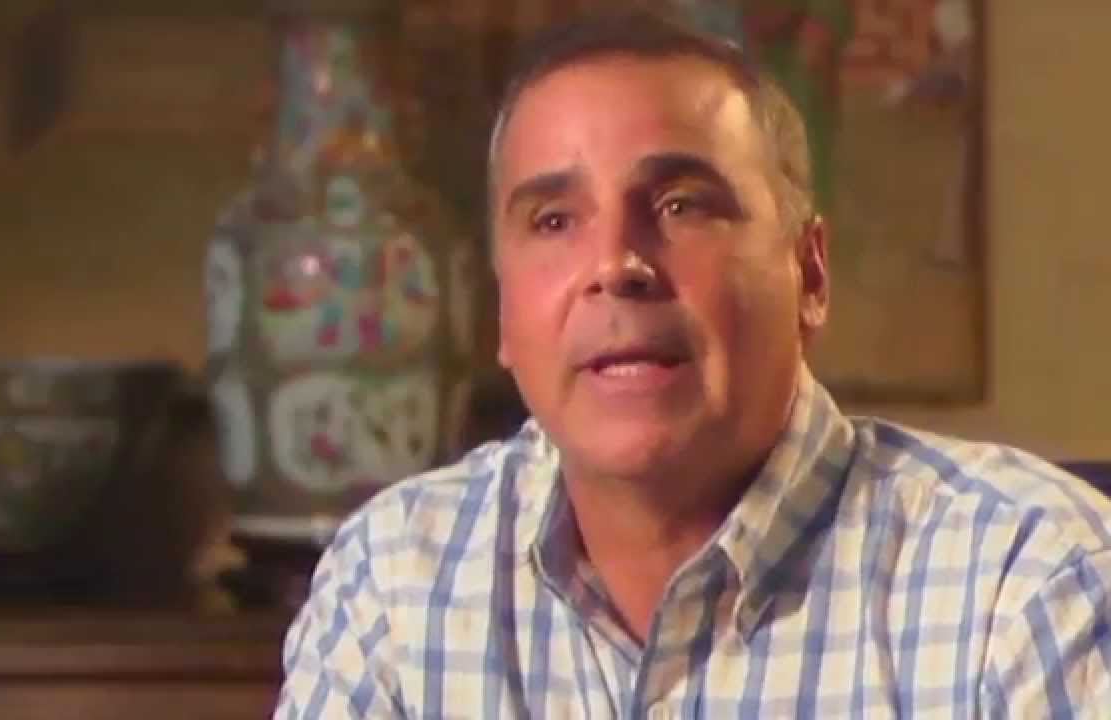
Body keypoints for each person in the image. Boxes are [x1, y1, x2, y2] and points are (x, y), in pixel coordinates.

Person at [275, 8, 1111, 718]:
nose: (616, 265)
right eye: (555, 220)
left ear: (810, 274)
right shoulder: (396, 582)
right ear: (503, 310)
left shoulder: (1027, 580)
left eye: (681, 205)